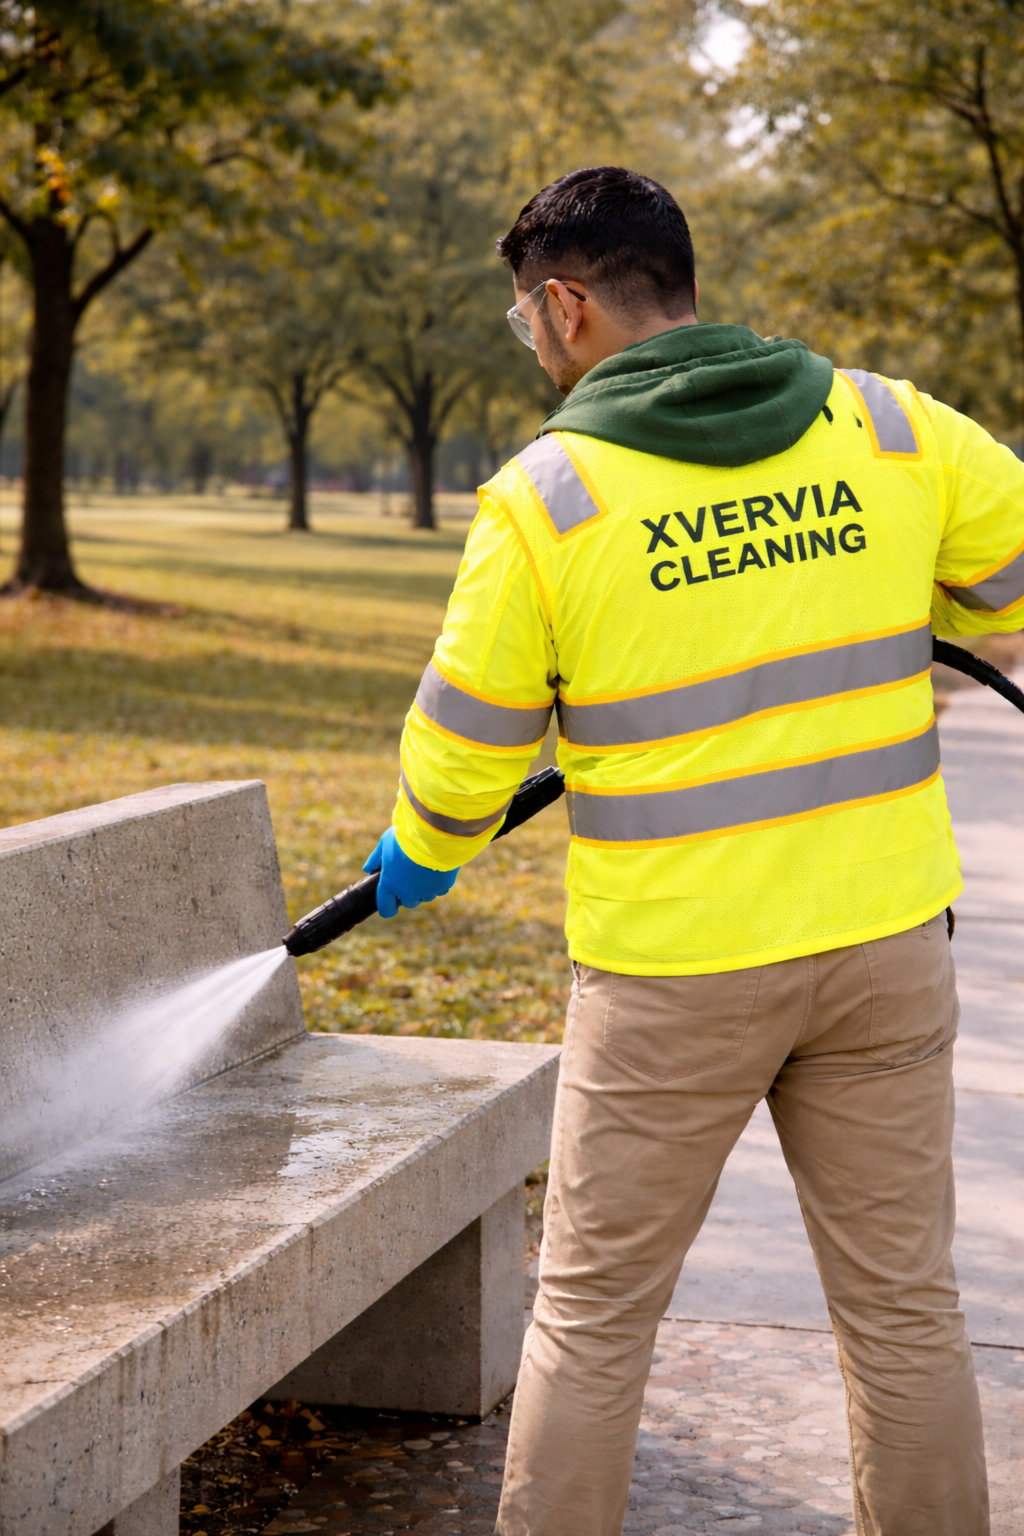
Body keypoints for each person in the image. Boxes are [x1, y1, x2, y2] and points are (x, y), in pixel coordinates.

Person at [362, 166, 1024, 1536]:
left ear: (567, 307)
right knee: (905, 1315)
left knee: (594, 1322)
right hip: (885, 947)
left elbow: (466, 753)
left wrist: (422, 847)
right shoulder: (892, 428)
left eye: (524, 320)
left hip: (674, 979)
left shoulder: (545, 503)